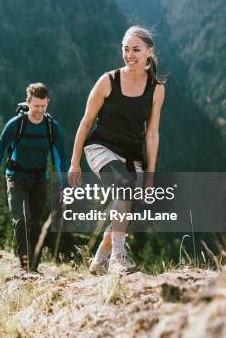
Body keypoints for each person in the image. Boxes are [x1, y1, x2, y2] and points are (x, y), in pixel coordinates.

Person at [68, 26, 165, 274]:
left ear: (149, 52)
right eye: (125, 49)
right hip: (101, 148)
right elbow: (86, 122)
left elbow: (152, 134)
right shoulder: (108, 81)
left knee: (127, 203)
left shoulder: (156, 89)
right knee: (124, 188)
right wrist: (74, 162)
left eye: (136, 49)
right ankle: (118, 258)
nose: (129, 55)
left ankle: (100, 258)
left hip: (132, 155)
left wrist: (150, 175)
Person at [0, 83, 69, 272]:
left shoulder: (51, 127)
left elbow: (60, 158)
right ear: (28, 102)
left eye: (43, 106)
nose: (39, 110)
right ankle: (25, 264)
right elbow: (0, 152)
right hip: (16, 178)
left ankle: (34, 265)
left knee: (36, 223)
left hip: (40, 179)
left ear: (47, 102)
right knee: (22, 219)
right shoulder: (16, 124)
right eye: (35, 106)